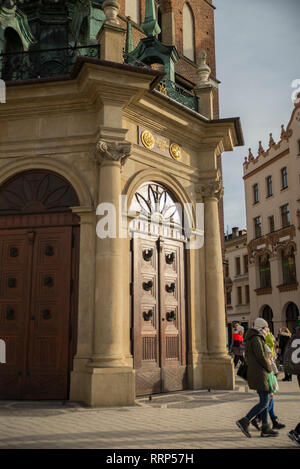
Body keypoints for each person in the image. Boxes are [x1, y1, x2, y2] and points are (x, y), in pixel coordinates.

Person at [236, 317, 279, 438]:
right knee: (265, 401)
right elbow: (261, 357)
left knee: (265, 400)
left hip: (260, 373)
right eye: (266, 328)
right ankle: (245, 420)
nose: (267, 330)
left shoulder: (256, 338)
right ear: (261, 328)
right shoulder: (256, 339)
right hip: (260, 373)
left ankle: (265, 428)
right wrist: (270, 368)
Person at [250, 344, 285, 431]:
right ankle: (257, 419)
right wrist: (271, 390)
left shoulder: (267, 360)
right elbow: (269, 378)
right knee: (266, 404)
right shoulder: (265, 364)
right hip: (266, 386)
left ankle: (273, 421)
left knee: (269, 403)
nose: (270, 356)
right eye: (269, 354)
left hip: (266, 385)